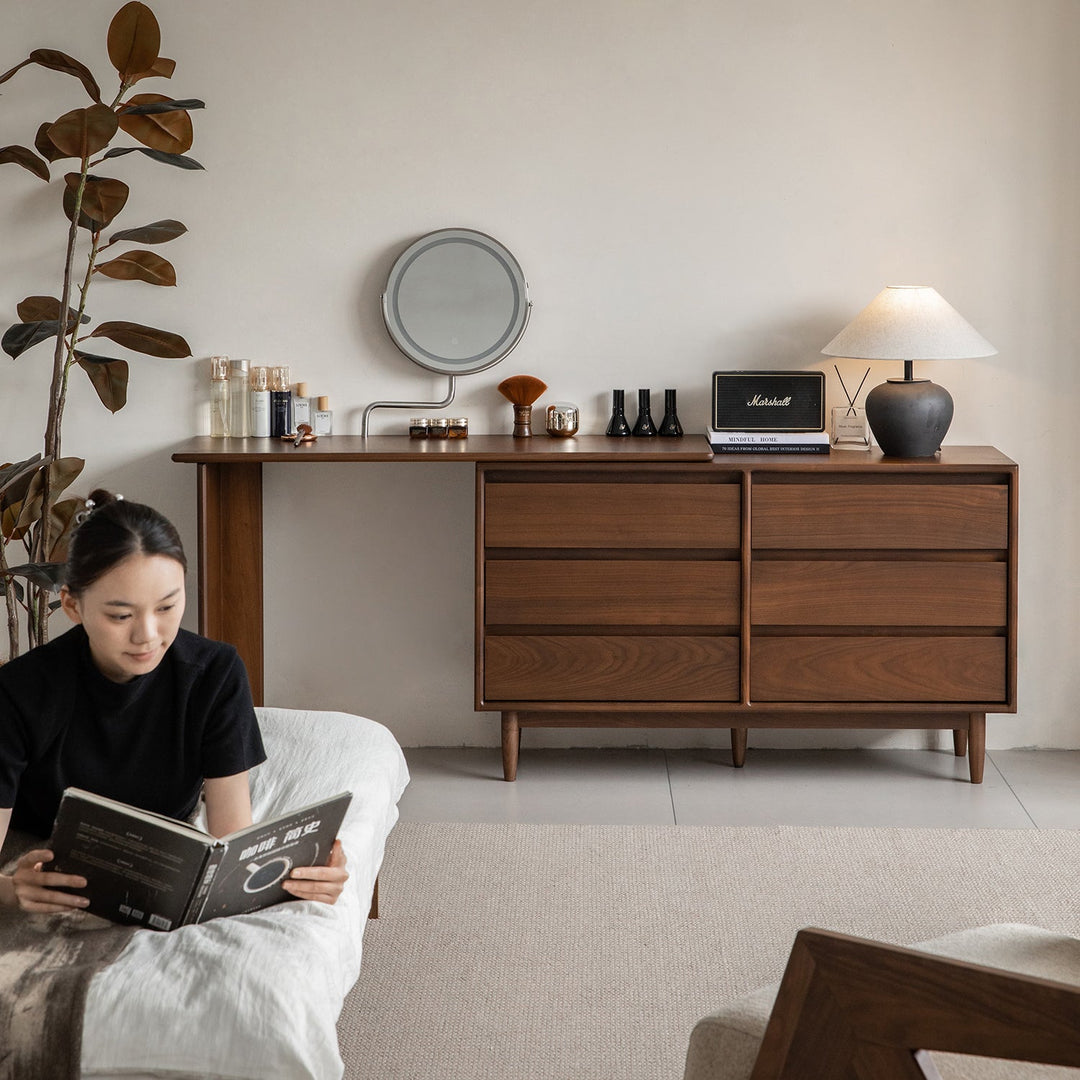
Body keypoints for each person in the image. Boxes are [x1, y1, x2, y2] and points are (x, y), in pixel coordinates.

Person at [0, 489, 348, 913]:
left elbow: (232, 835)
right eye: (120, 616)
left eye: (167, 606)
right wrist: (10, 891)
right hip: (46, 845)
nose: (147, 635)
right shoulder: (19, 691)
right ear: (72, 604)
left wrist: (305, 874)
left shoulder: (215, 673)